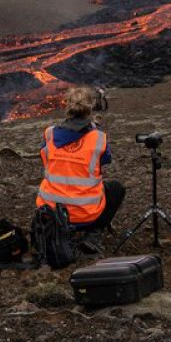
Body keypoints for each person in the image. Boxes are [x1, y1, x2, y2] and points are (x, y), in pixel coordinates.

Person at [35, 87, 126, 253]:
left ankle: (56, 231)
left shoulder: (49, 134)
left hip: (51, 213)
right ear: (90, 107)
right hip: (86, 216)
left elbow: (45, 158)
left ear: (67, 106)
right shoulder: (98, 138)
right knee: (116, 189)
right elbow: (105, 160)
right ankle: (93, 234)